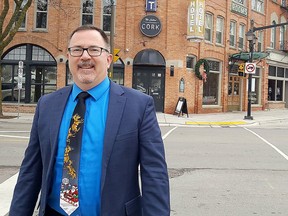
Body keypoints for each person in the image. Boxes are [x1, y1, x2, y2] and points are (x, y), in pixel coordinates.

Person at [9, 25, 170, 216]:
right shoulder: (47, 105)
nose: (85, 56)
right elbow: (30, 172)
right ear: (69, 57)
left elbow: (155, 175)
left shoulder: (139, 105)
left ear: (108, 59)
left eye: (94, 49)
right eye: (77, 50)